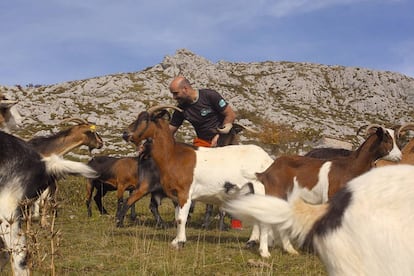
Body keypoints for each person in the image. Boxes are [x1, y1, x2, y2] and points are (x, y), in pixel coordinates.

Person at [168, 76, 242, 229]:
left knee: (233, 179)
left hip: (225, 139)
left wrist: (220, 133)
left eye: (176, 93)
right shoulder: (181, 108)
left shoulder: (210, 96)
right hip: (203, 144)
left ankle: (236, 221)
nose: (174, 97)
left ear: (185, 89)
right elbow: (170, 131)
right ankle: (193, 215)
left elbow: (230, 115)